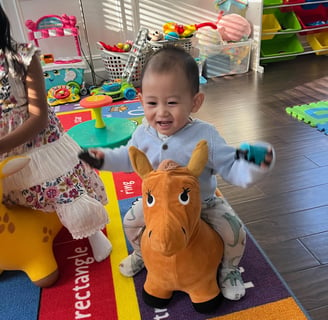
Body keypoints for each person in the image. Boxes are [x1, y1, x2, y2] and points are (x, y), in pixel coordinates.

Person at [85, 46, 275, 301]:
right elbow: (129, 158)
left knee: (235, 231)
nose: (161, 112)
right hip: (157, 206)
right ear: (141, 101)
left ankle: (229, 269)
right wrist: (104, 159)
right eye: (152, 103)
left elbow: (230, 165)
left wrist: (253, 167)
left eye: (172, 103)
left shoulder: (205, 134)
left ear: (195, 102)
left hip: (202, 204)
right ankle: (143, 254)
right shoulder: (143, 133)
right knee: (129, 221)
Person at [0, 5, 112, 264]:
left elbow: (38, 118)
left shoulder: (23, 57)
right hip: (7, 153)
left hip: (38, 144)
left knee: (63, 187)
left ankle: (92, 231)